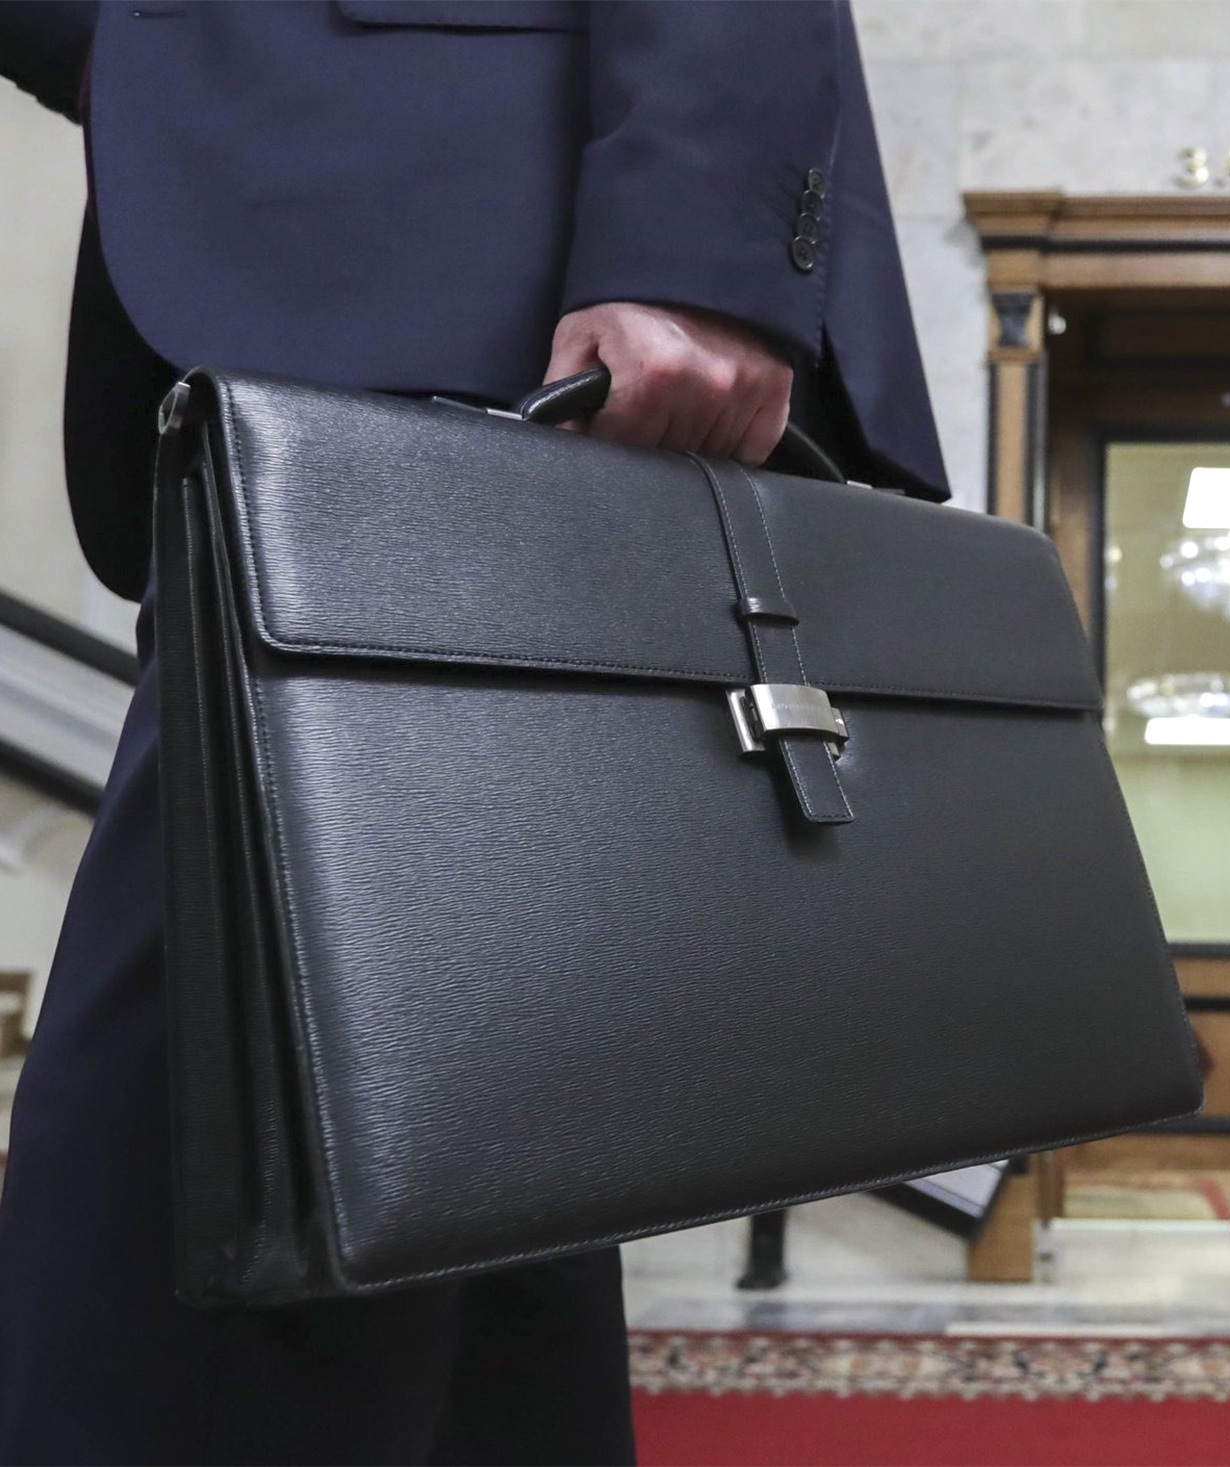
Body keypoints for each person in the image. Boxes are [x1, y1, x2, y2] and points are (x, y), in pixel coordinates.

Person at [0, 2, 948, 1460]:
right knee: (451, 1200)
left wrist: (695, 240)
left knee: (210, 1182)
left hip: (465, 262)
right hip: (325, 266)